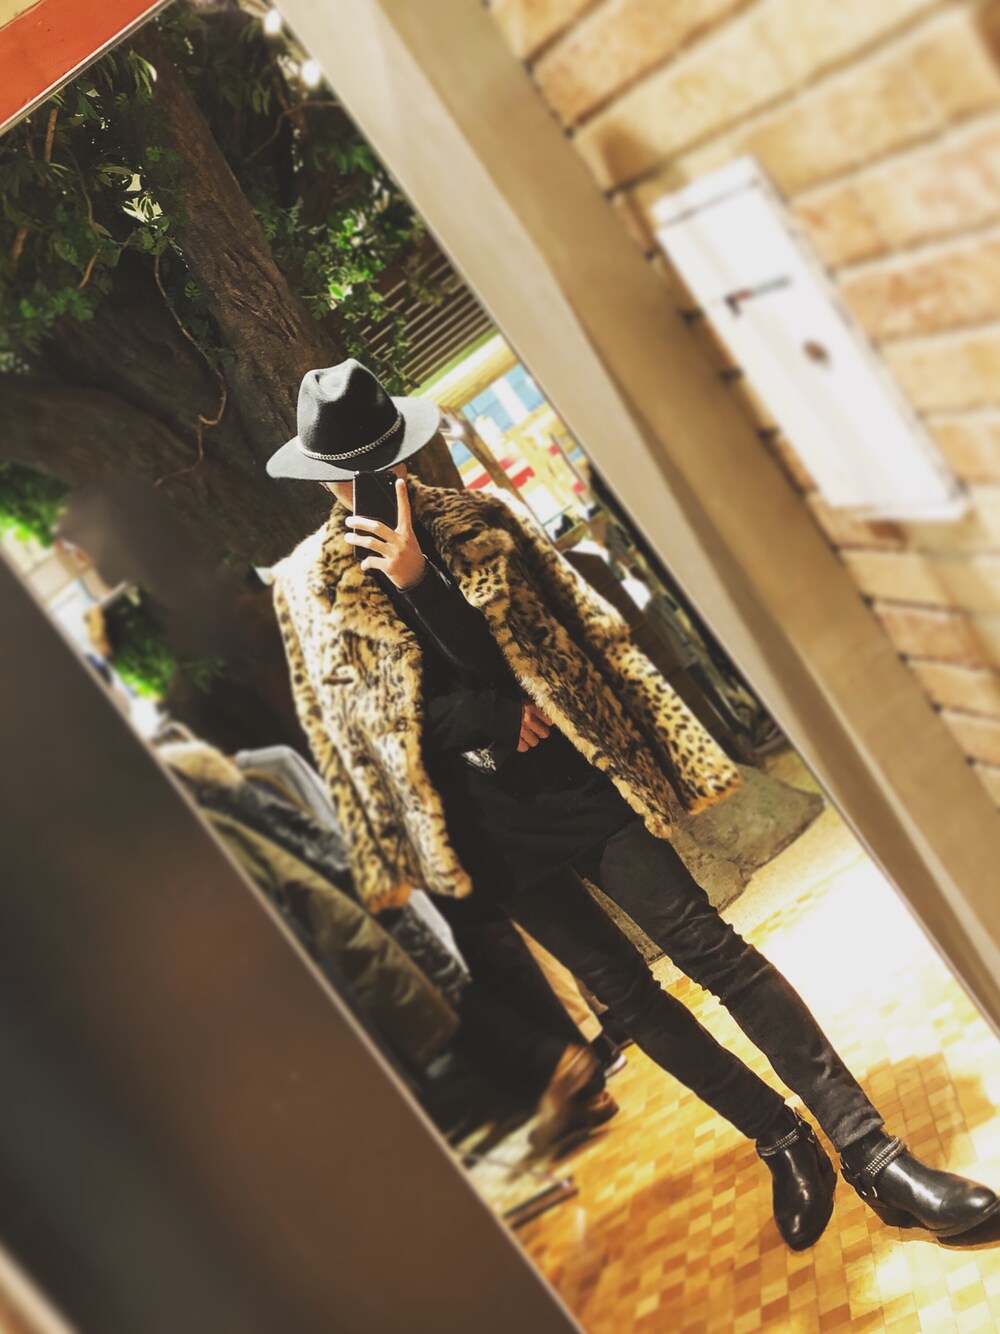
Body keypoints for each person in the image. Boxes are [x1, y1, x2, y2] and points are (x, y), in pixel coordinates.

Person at [266, 360, 999, 1251]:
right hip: (479, 830)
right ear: (323, 478)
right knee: (628, 1000)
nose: (371, 483)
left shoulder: (480, 526)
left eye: (382, 461)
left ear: (402, 452)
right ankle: (778, 1136)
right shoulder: (306, 592)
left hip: (573, 783)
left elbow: (550, 656)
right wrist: (487, 718)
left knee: (713, 951)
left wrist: (423, 584)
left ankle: (872, 1153)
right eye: (352, 473)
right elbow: (361, 733)